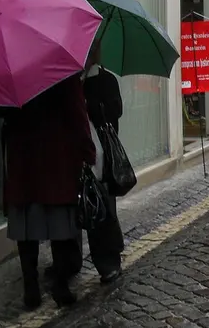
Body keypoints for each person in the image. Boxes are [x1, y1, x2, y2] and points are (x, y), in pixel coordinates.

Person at [4, 74, 96, 310]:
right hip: (56, 159)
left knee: (26, 226)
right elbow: (78, 114)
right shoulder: (62, 71)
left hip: (23, 159)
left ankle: (31, 288)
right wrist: (88, 151)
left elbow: (1, 113)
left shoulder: (13, 73)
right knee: (60, 226)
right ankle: (60, 285)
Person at [82, 44, 125, 284]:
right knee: (92, 209)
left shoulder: (105, 80)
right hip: (82, 155)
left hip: (102, 157)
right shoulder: (74, 82)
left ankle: (109, 261)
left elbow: (115, 112)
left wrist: (91, 105)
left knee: (102, 209)